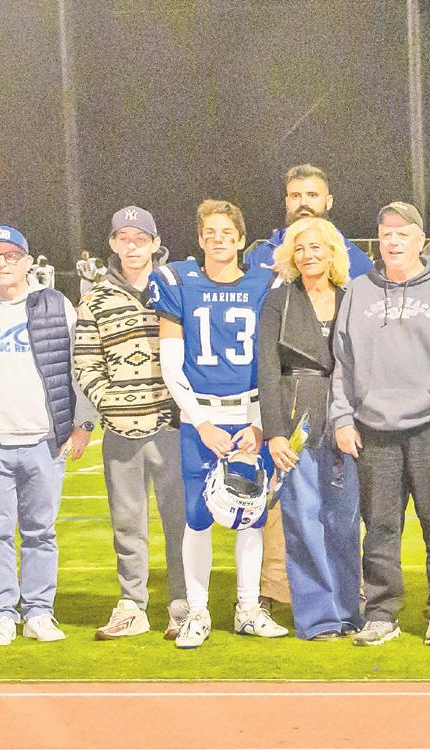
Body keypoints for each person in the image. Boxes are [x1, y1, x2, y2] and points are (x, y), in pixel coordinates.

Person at [331, 204, 430, 646]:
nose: (393, 241)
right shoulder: (358, 291)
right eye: (386, 234)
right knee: (379, 526)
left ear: (420, 239)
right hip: (373, 427)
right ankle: (381, 613)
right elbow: (342, 361)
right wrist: (341, 416)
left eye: (402, 233)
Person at [158, 200, 286, 648]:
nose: (218, 239)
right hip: (202, 417)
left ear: (241, 238)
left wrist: (259, 423)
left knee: (250, 516)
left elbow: (273, 360)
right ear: (199, 238)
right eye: (209, 232)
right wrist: (200, 423)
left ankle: (247, 609)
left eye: (226, 232)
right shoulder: (178, 281)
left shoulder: (264, 283)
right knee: (197, 518)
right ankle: (197, 611)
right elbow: (170, 363)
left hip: (249, 416)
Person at [0, 225, 93, 647]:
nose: (2, 263)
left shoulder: (56, 304)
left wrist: (84, 423)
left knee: (41, 532)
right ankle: (1, 614)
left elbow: (79, 365)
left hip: (44, 440)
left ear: (28, 261)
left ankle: (38, 611)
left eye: (11, 255)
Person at [73, 206, 185, 640]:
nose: (132, 246)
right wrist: (110, 402)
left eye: (140, 239)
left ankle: (182, 602)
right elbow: (85, 362)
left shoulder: (175, 288)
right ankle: (132, 604)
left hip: (172, 426)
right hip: (121, 428)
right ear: (112, 243)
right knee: (127, 522)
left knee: (179, 521)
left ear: (156, 243)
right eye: (124, 238)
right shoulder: (96, 299)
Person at [254, 215, 361, 642]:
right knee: (301, 520)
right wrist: (275, 431)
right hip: (295, 416)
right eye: (299, 248)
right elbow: (267, 370)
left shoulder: (352, 298)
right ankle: (318, 619)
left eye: (316, 247)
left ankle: (348, 612)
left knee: (344, 520)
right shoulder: (277, 301)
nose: (307, 255)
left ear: (332, 252)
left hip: (345, 419)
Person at [248, 164, 373, 280]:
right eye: (295, 196)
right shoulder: (259, 257)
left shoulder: (356, 260)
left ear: (328, 202)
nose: (303, 203)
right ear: (287, 202)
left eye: (312, 195)